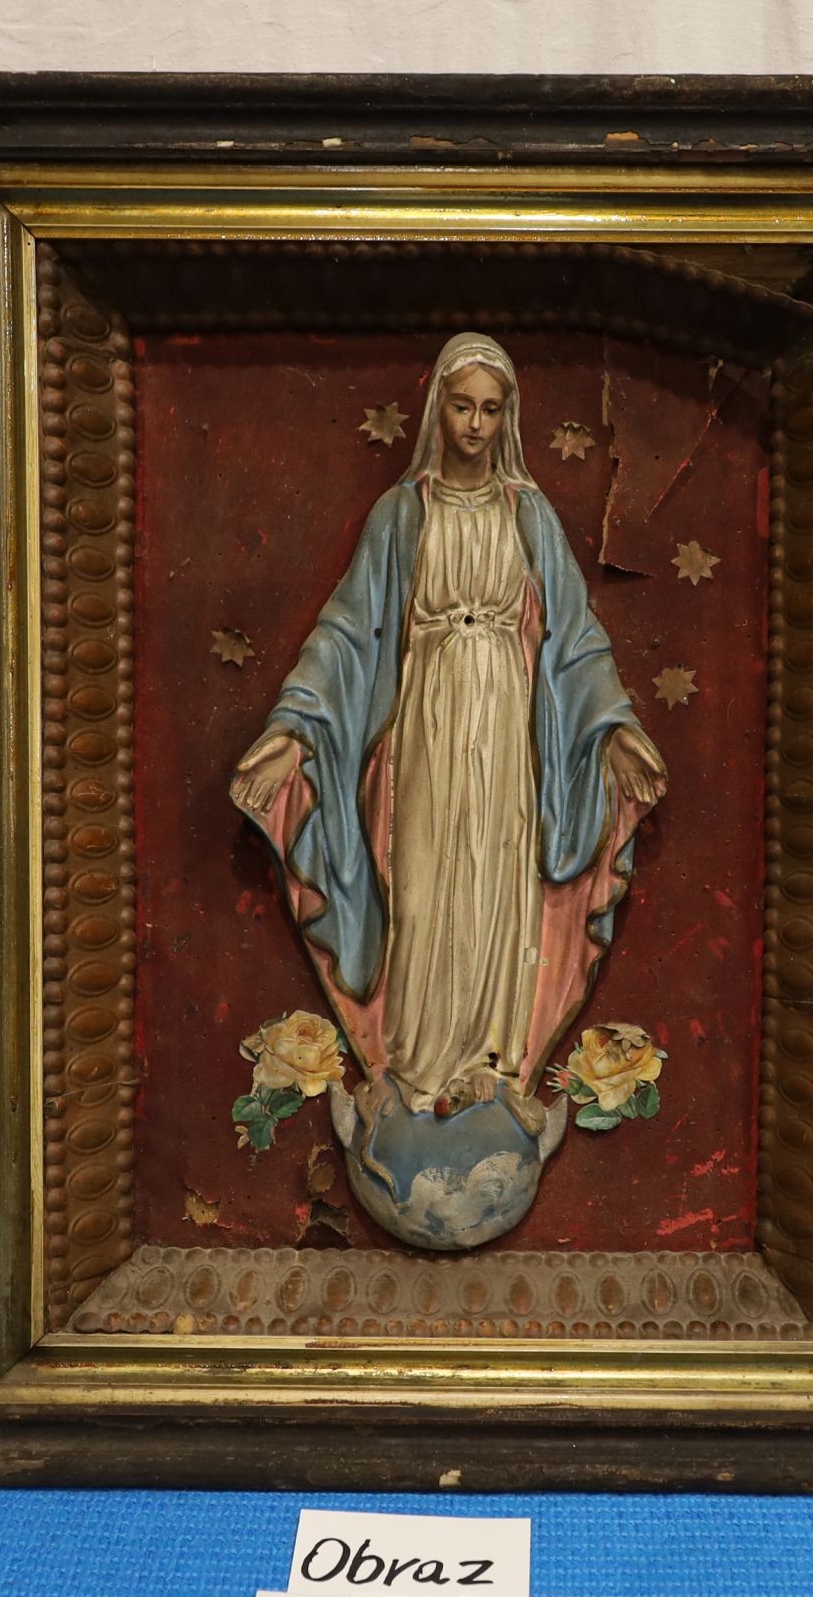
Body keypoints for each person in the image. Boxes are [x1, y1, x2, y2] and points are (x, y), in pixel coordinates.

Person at [232, 332, 665, 1121]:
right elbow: (347, 631)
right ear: (439, 409)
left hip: (504, 723)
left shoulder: (528, 514)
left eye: (490, 410)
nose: (474, 425)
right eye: (462, 407)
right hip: (426, 722)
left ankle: (493, 1065)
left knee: (497, 880)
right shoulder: (402, 513)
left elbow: (575, 635)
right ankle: (415, 1064)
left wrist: (615, 728)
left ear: (508, 418)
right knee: (426, 876)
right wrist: (292, 730)